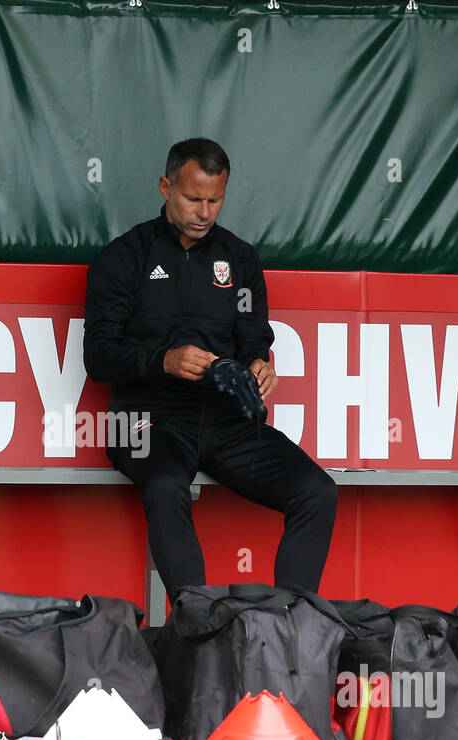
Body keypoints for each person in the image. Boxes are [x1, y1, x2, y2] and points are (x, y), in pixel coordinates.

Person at [83, 138, 338, 597]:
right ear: (166, 187)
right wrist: (164, 361)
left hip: (226, 420)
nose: (204, 211)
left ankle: (295, 627)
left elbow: (253, 338)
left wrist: (260, 365)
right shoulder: (124, 256)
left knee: (317, 491)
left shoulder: (239, 258)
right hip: (144, 420)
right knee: (164, 486)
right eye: (193, 198)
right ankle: (195, 627)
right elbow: (98, 356)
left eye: (214, 200)